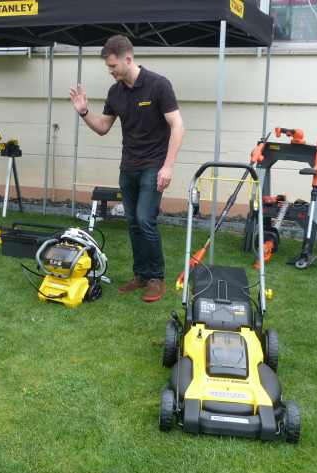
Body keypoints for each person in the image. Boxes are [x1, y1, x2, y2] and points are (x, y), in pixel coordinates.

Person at [68, 35, 184, 302]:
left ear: (128, 59)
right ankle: (141, 275)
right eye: (108, 67)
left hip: (154, 165)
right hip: (128, 166)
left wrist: (168, 166)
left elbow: (178, 126)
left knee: (145, 219)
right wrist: (84, 112)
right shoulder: (115, 92)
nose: (110, 71)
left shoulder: (158, 85)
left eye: (112, 66)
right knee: (133, 223)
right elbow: (103, 128)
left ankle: (157, 278)